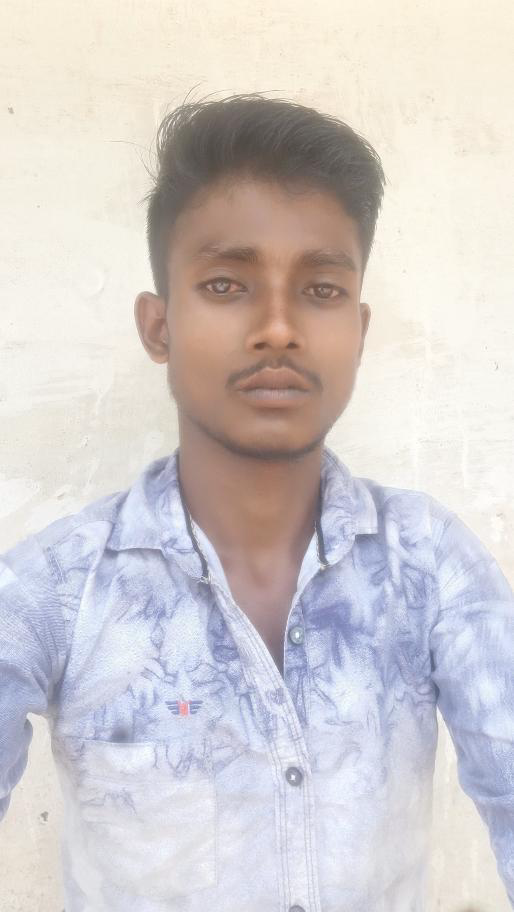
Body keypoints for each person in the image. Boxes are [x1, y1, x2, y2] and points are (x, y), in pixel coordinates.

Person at [0, 93, 512, 912]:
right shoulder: (56, 590)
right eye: (226, 284)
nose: (278, 327)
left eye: (321, 290)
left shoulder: (429, 564)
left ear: (360, 329)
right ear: (159, 327)